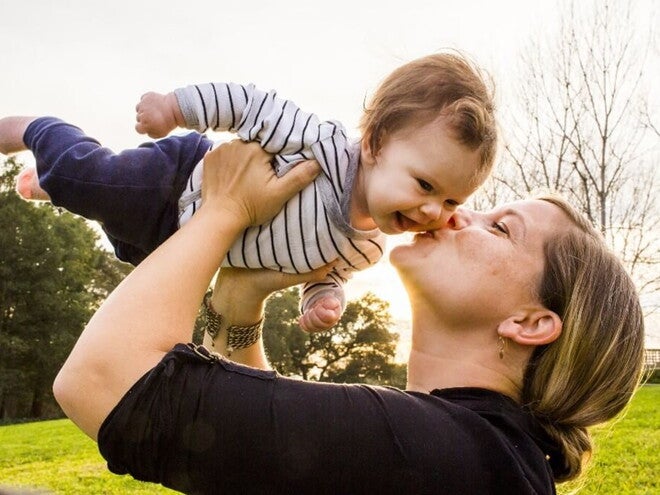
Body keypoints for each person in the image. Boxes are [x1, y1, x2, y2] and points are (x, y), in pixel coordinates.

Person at [22, 138, 641, 493]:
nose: (457, 213)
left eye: (500, 227)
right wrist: (240, 307)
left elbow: (103, 380)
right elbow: (266, 449)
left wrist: (225, 208)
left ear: (531, 323)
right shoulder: (480, 458)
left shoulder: (448, 453)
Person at [7, 51, 498, 338]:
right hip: (179, 180)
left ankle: (56, 187)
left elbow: (326, 275)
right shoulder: (321, 146)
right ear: (374, 144)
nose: (434, 210)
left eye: (453, 201)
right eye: (426, 185)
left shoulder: (367, 248)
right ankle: (38, 129)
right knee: (91, 181)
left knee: (108, 221)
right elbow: (250, 105)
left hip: (180, 242)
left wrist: (324, 299)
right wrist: (174, 108)